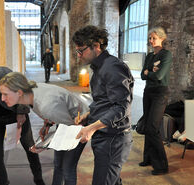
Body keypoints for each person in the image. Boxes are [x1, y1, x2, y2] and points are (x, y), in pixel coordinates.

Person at [0, 72, 89, 185]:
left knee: (67, 169)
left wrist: (45, 145)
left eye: (5, 94)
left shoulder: (47, 105)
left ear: (20, 92)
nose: (2, 98)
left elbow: (69, 133)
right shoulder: (31, 92)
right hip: (65, 120)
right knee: (58, 164)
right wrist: (47, 124)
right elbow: (56, 112)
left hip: (79, 126)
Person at [72, 25, 134, 185]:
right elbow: (103, 101)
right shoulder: (99, 67)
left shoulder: (112, 67)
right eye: (77, 51)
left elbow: (121, 108)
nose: (79, 55)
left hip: (113, 138)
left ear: (96, 46)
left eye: (81, 51)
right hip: (105, 135)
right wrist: (88, 116)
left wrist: (91, 128)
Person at [139, 27, 172, 175]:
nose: (151, 41)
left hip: (160, 93)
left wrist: (149, 72)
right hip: (148, 92)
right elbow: (142, 75)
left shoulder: (166, 54)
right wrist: (150, 71)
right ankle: (149, 158)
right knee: (147, 124)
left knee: (153, 127)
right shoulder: (149, 56)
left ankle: (161, 166)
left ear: (161, 38)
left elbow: (159, 76)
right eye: (150, 39)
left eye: (153, 38)